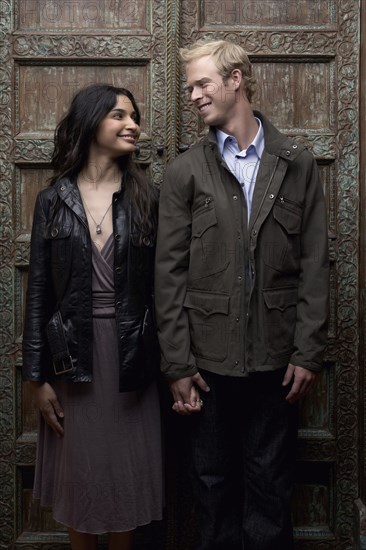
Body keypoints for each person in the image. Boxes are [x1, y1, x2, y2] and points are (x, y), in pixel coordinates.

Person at [155, 40, 329, 550]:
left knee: (271, 491)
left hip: (276, 364)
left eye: (202, 83)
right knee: (211, 491)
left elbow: (315, 266)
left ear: (236, 81)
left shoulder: (295, 162)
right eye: (189, 86)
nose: (192, 95)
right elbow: (168, 275)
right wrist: (177, 365)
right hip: (205, 366)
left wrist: (308, 351)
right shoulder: (185, 170)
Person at [23, 84, 163, 550]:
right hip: (71, 361)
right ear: (91, 122)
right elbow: (39, 293)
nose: (133, 125)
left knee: (125, 476)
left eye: (135, 116)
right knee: (79, 479)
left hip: (130, 357)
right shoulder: (53, 200)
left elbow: (164, 289)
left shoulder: (148, 197)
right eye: (120, 115)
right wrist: (36, 376)